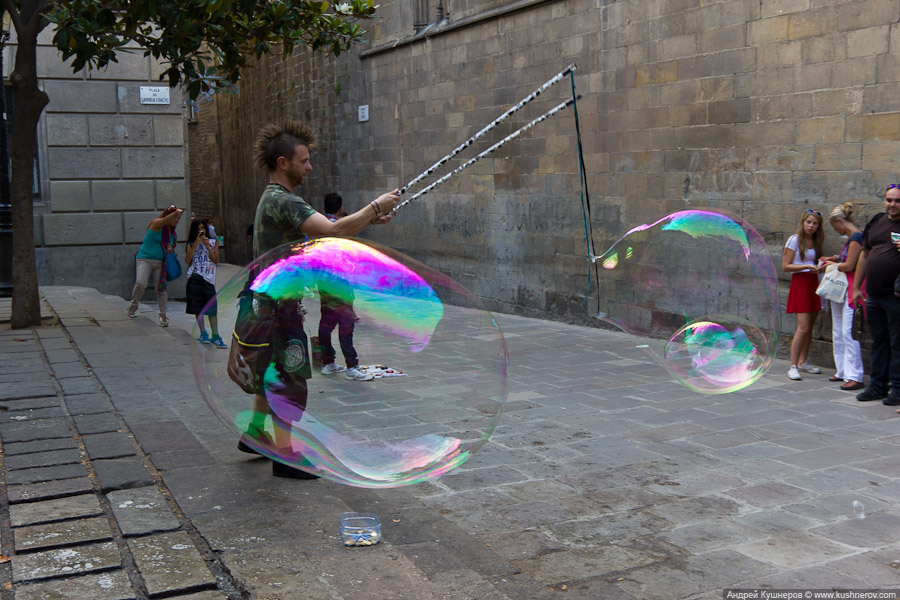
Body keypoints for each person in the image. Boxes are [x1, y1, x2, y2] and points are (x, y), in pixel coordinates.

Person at [241, 120, 400, 479]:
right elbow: (332, 229)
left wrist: (368, 220)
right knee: (291, 376)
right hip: (279, 310)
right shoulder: (284, 200)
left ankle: (254, 433)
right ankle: (285, 454)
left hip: (264, 304)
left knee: (271, 371)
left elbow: (324, 237)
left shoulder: (272, 198)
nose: (309, 166)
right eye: (305, 160)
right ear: (283, 162)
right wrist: (373, 207)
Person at [317, 192, 374, 381]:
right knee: (346, 323)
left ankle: (328, 363)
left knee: (326, 322)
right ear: (340, 208)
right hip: (340, 282)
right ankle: (352, 366)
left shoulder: (317, 225)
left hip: (324, 282)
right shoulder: (341, 227)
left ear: (324, 207)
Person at [852, 184, 900, 405]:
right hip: (873, 295)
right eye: (889, 200)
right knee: (878, 342)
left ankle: (897, 389)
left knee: (897, 343)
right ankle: (878, 386)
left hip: (895, 296)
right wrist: (856, 287)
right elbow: (864, 255)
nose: (892, 204)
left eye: (897, 201)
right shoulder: (877, 221)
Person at [822, 202, 865, 391]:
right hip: (842, 288)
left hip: (851, 288)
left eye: (834, 226)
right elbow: (846, 260)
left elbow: (850, 265)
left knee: (848, 333)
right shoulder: (850, 238)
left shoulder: (857, 237)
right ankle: (842, 370)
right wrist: (835, 259)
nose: (835, 230)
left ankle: (854, 375)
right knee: (838, 331)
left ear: (840, 221)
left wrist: (830, 267)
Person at [783, 208, 826, 380]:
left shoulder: (816, 241)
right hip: (800, 283)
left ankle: (803, 361)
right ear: (803, 222)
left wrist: (820, 265)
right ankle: (792, 365)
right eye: (808, 222)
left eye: (815, 223)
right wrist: (806, 266)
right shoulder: (794, 240)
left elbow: (814, 262)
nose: (811, 226)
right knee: (803, 327)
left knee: (810, 327)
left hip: (813, 283)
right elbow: (786, 266)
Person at [127, 205, 184, 327]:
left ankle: (163, 315)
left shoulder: (172, 233)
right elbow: (164, 221)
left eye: (178, 219)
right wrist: (176, 213)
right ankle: (133, 305)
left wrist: (170, 248)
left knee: (161, 289)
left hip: (160, 263)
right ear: (168, 216)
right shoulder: (157, 224)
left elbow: (171, 247)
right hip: (145, 259)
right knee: (141, 283)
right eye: (175, 218)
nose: (176, 221)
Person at [185, 219, 226, 348]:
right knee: (198, 307)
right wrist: (196, 243)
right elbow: (187, 260)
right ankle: (203, 332)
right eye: (198, 229)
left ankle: (215, 335)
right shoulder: (191, 243)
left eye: (202, 228)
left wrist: (208, 246)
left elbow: (216, 260)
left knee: (212, 309)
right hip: (195, 277)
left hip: (209, 279)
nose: (200, 231)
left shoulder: (214, 242)